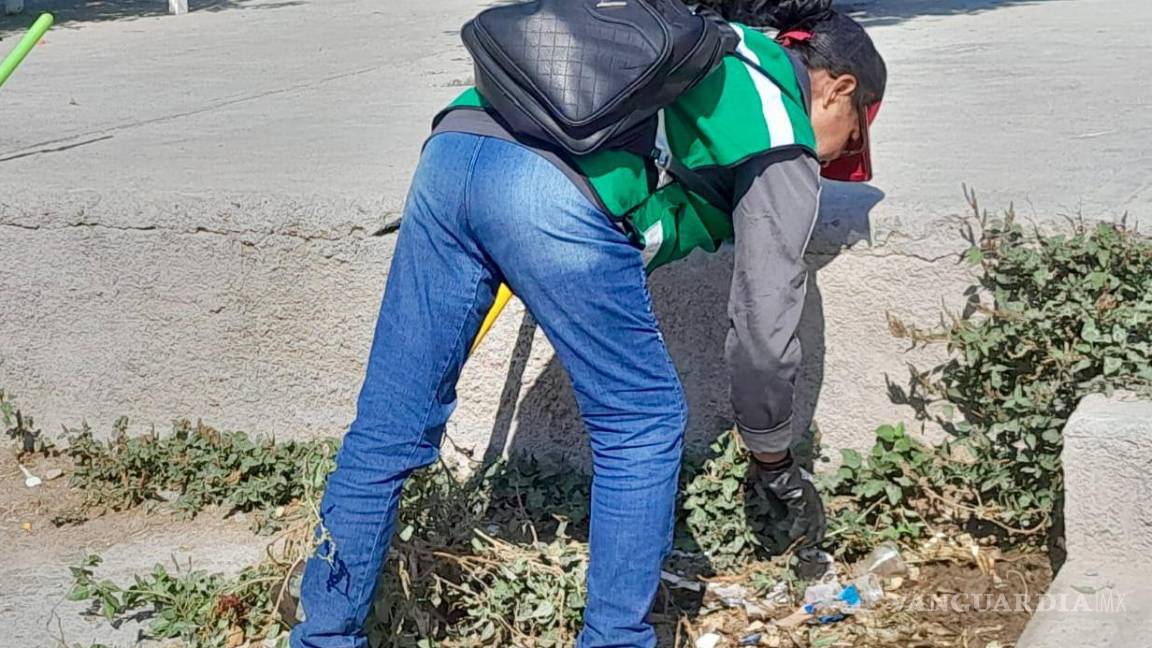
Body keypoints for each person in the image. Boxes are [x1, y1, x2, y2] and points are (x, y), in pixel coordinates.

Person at [291, 1, 886, 646]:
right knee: (642, 420)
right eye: (851, 138)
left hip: (453, 151)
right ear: (838, 88)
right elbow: (766, 335)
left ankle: (322, 633)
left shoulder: (716, 50)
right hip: (550, 188)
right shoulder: (782, 128)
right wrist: (772, 455)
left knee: (388, 425)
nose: (834, 162)